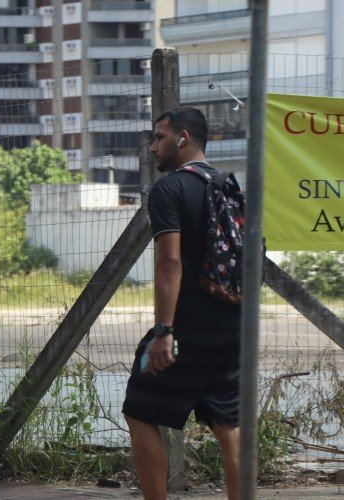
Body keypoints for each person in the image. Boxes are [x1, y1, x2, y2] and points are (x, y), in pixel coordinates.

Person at [122, 107, 241, 500]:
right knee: (228, 423)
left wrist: (164, 332)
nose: (153, 147)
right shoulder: (231, 185)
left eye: (159, 137)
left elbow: (170, 262)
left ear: (183, 138)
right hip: (232, 325)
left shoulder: (169, 189)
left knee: (139, 409)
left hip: (186, 328)